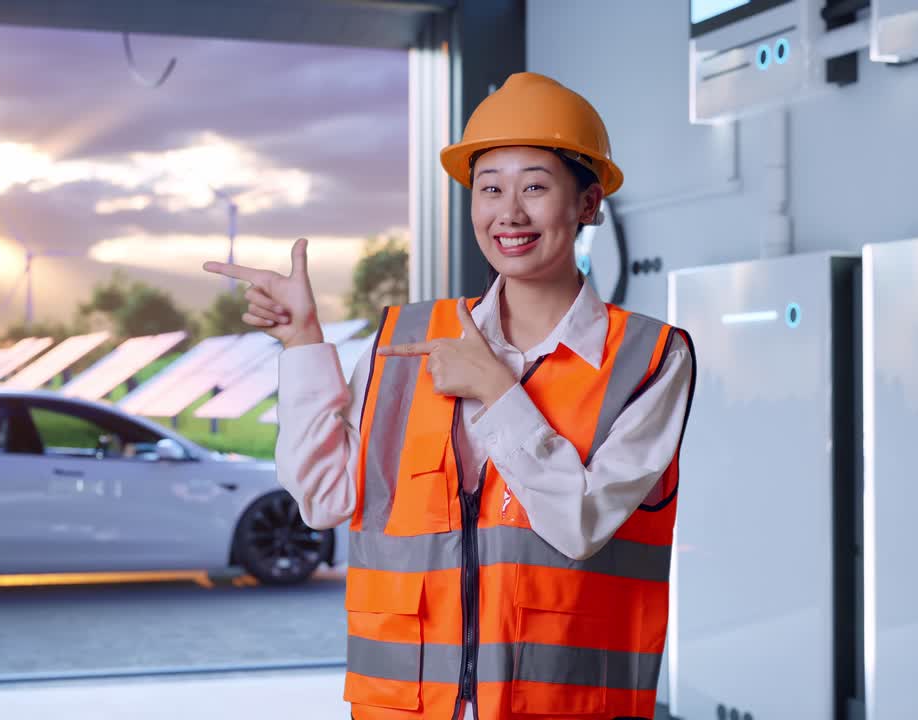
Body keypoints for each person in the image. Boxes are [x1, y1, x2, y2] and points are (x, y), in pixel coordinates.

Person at [205, 71, 696, 720]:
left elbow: (580, 525)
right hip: (404, 706)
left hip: (563, 706)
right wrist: (302, 342)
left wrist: (496, 390)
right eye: (489, 188)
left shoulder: (650, 358)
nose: (509, 212)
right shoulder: (405, 338)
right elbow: (323, 497)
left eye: (535, 187)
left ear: (587, 203)